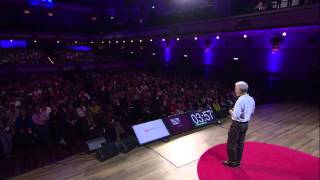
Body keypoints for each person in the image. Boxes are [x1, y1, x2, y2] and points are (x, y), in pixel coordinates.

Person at [223, 81, 255, 168]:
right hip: (245, 124)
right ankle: (237, 161)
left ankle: (232, 162)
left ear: (240, 90)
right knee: (240, 143)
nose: (235, 90)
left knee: (232, 143)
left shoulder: (240, 101)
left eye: (236, 88)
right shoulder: (251, 99)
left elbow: (236, 116)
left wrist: (231, 112)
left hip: (237, 125)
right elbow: (252, 112)